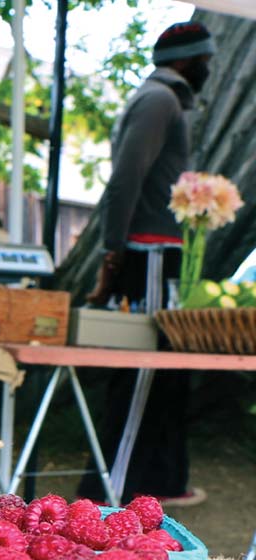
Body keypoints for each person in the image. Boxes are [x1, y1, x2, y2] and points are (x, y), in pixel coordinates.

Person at [79, 21, 215, 507]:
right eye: (206, 59)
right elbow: (126, 178)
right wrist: (113, 248)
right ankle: (109, 491)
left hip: (162, 250)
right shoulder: (158, 101)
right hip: (148, 251)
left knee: (167, 368)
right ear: (187, 60)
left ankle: (159, 481)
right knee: (144, 369)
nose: (209, 69)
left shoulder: (166, 100)